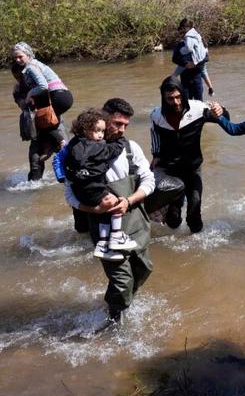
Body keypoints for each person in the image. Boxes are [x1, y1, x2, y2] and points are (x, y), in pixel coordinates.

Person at [63, 98, 155, 327]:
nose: (121, 129)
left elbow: (149, 179)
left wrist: (129, 200)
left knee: (143, 269)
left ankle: (123, 306)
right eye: (117, 123)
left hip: (136, 222)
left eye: (125, 125)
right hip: (104, 229)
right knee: (122, 280)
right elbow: (69, 192)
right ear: (104, 117)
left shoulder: (131, 148)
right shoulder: (79, 149)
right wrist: (92, 208)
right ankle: (115, 322)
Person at [150, 76, 226, 233]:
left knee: (194, 217)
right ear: (164, 98)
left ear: (183, 94)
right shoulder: (157, 115)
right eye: (170, 99)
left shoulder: (198, 109)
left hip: (193, 168)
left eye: (178, 97)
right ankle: (174, 209)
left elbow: (224, 118)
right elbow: (155, 135)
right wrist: (156, 154)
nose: (176, 102)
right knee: (173, 221)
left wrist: (221, 110)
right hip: (170, 170)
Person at [63, 108, 138, 261]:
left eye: (102, 132)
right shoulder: (97, 147)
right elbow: (113, 150)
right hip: (93, 188)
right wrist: (121, 141)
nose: (100, 135)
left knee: (104, 212)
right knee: (114, 202)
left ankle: (102, 245)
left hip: (80, 190)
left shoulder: (73, 145)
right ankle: (116, 235)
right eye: (97, 131)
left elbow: (64, 163)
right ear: (85, 130)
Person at [10, 41, 73, 147]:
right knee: (50, 123)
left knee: (42, 122)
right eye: (15, 58)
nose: (17, 60)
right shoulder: (36, 64)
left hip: (59, 96)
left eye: (20, 56)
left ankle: (61, 143)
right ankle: (59, 144)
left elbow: (43, 86)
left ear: (28, 54)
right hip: (63, 95)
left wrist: (30, 94)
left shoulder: (31, 66)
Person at [11, 62, 65, 181]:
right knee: (35, 160)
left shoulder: (41, 83)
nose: (20, 80)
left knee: (65, 152)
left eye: (21, 77)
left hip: (53, 122)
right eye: (17, 77)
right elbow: (22, 104)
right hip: (36, 126)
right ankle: (35, 188)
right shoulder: (18, 88)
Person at [172, 18, 215, 101]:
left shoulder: (197, 42)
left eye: (182, 31)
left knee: (199, 104)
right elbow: (174, 59)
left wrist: (195, 63)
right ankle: (166, 86)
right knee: (187, 104)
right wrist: (185, 64)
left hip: (197, 81)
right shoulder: (179, 45)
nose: (182, 34)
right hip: (185, 82)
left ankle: (210, 88)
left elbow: (206, 58)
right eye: (180, 32)